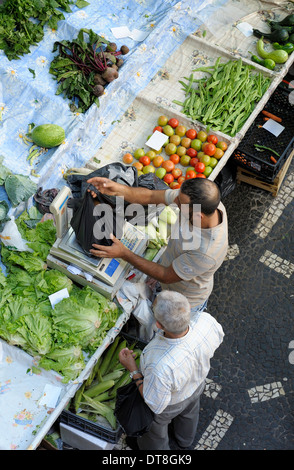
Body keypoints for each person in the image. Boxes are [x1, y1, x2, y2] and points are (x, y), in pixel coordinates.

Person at [87, 176, 228, 314]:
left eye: (180, 203)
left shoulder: (206, 251)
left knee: (160, 326)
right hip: (171, 272)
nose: (175, 201)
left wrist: (124, 253)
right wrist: (118, 189)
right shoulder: (203, 204)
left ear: (199, 215)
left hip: (183, 298)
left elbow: (166, 275)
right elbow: (151, 196)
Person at [118, 290, 224, 450]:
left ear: (159, 325)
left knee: (155, 432)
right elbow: (218, 339)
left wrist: (132, 369)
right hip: (196, 385)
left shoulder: (158, 363)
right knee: (190, 413)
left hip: (171, 404)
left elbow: (154, 403)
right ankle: (185, 441)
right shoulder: (205, 321)